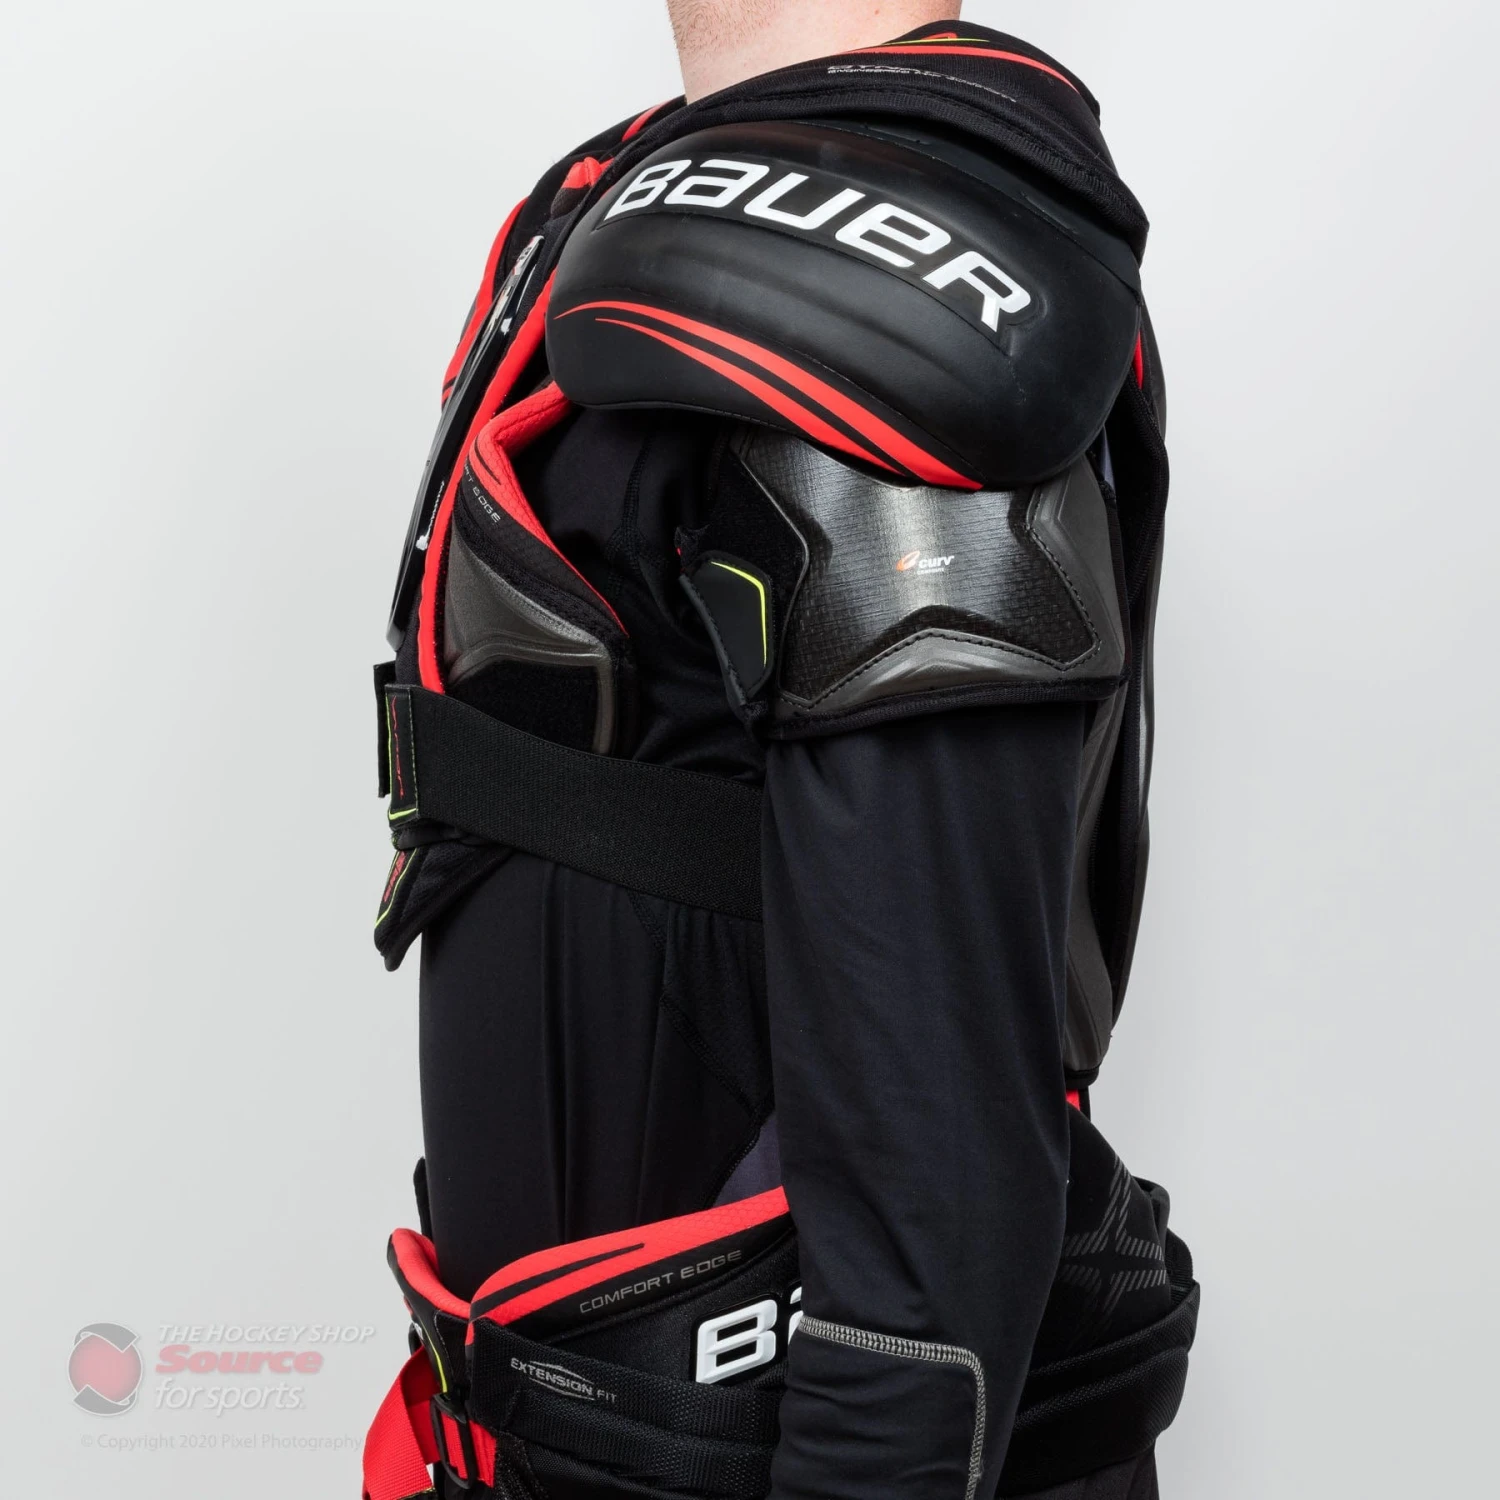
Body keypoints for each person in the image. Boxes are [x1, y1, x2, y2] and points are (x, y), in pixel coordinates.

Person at [361, 5, 1198, 1500]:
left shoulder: (888, 252)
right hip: (584, 1409)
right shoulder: (637, 199)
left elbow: (934, 1168)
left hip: (765, 1438)